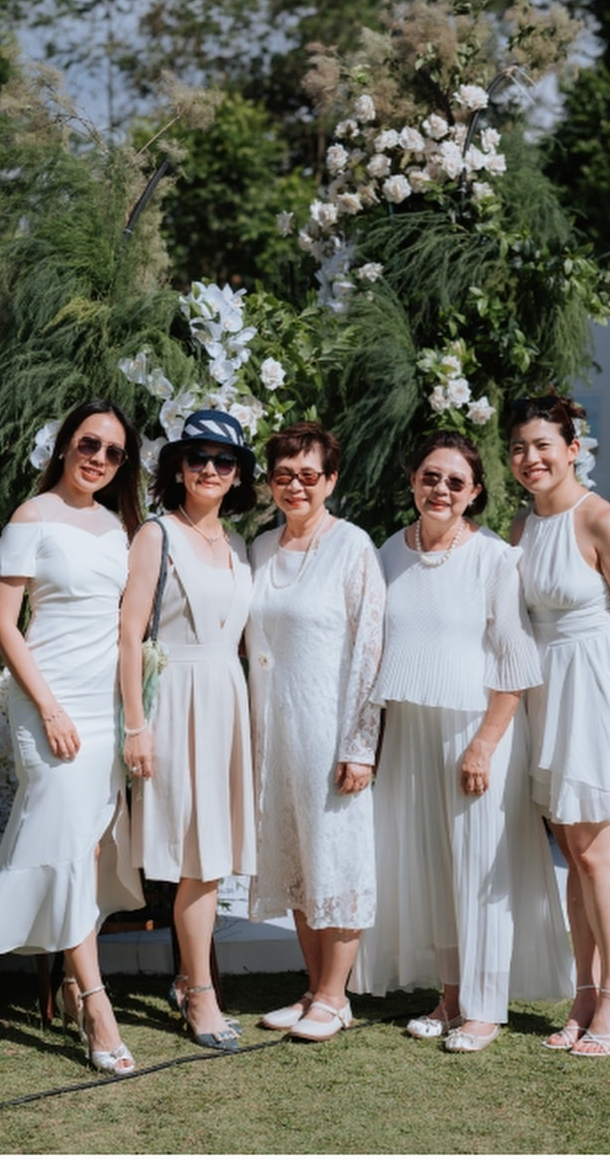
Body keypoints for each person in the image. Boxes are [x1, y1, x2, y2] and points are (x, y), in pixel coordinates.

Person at [0, 398, 140, 1077]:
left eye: (113, 452)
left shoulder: (118, 527)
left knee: (84, 848)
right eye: (89, 443)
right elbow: (5, 624)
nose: (98, 458)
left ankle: (72, 982)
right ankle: (97, 1005)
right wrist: (49, 709)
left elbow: (125, 628)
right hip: (49, 705)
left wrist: (132, 712)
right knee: (66, 847)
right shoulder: (31, 517)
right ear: (66, 445)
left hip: (104, 711)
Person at [358, 431, 571, 1052]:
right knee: (433, 870)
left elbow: (515, 659)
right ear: (413, 481)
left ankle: (485, 1007)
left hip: (476, 729)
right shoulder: (388, 553)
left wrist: (484, 742)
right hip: (412, 731)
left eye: (456, 482)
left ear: (475, 492)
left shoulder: (494, 558)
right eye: (431, 476)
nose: (441, 489)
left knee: (482, 868)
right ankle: (451, 996)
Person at [510, 395, 610, 1057]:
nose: (530, 458)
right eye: (519, 448)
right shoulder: (522, 525)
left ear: (574, 449)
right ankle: (583, 991)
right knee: (572, 853)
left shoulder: (601, 520)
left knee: (597, 850)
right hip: (546, 692)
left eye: (544, 445)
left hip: (597, 690)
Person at [117, 407, 257, 1052]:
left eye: (222, 460)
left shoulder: (238, 544)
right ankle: (198, 993)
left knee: (211, 858)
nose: (208, 468)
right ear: (178, 466)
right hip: (174, 702)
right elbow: (129, 634)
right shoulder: (157, 534)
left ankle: (189, 980)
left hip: (227, 701)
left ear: (237, 475)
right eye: (196, 457)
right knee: (190, 857)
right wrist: (138, 726)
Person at [244, 422, 385, 1044]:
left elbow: (371, 650)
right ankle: (313, 988)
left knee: (337, 859)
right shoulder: (259, 548)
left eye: (308, 474)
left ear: (330, 480)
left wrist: (360, 744)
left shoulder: (353, 546)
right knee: (297, 859)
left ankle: (336, 995)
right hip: (273, 732)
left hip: (330, 729)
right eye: (283, 475)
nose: (295, 485)